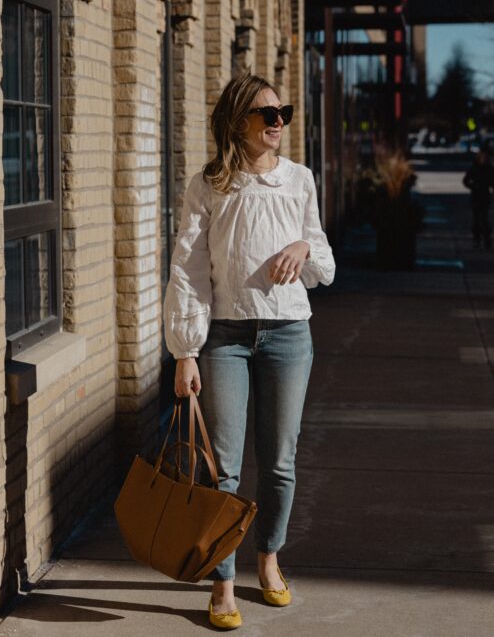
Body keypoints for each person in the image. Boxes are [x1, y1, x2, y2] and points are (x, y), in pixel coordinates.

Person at [163, 73, 335, 629]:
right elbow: (188, 272)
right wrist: (185, 350)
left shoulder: (300, 180)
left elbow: (324, 264)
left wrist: (305, 245)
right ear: (238, 121)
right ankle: (224, 582)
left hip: (288, 334)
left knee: (280, 461)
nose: (278, 121)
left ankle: (269, 560)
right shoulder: (209, 185)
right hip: (226, 338)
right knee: (225, 469)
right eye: (267, 113)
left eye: (282, 111)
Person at [463, 147, 494, 249]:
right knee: (476, 219)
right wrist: (472, 186)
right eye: (481, 158)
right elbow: (465, 180)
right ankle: (477, 239)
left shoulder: (489, 169)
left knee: (484, 218)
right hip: (475, 195)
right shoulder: (474, 168)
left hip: (485, 195)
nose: (483, 160)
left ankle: (487, 239)